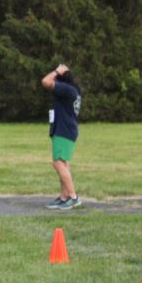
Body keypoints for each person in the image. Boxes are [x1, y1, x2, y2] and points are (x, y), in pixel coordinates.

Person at [41, 63, 83, 209]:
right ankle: (64, 197)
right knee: (63, 163)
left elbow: (45, 81)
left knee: (58, 163)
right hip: (66, 129)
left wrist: (56, 71)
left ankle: (73, 197)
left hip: (64, 130)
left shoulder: (67, 89)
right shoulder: (72, 90)